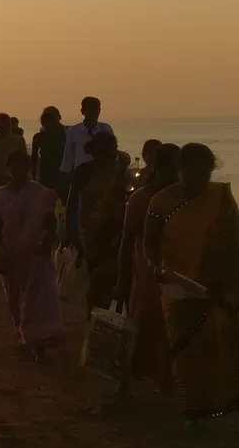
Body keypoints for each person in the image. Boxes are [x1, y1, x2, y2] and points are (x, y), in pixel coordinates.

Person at [143, 144, 239, 418]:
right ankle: (194, 409)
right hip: (179, 288)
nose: (198, 181)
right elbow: (150, 243)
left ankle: (225, 402)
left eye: (204, 174)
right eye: (191, 174)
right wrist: (153, 267)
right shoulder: (160, 202)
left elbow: (236, 240)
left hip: (220, 286)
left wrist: (229, 276)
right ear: (180, 170)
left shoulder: (220, 196)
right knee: (186, 350)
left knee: (223, 344)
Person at [114, 141, 180, 391]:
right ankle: (125, 383)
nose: (177, 175)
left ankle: (168, 384)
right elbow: (126, 242)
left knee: (170, 332)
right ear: (159, 168)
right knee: (138, 328)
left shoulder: (182, 199)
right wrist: (121, 281)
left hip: (176, 276)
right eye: (174, 169)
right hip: (145, 276)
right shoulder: (141, 198)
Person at [0, 148, 64, 357]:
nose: (19, 172)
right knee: (14, 298)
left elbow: (51, 222)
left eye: (23, 168)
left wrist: (47, 242)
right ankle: (23, 335)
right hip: (11, 254)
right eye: (15, 168)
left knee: (35, 299)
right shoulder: (1, 195)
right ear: (9, 169)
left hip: (35, 254)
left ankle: (38, 342)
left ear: (29, 169)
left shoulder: (41, 193)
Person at [69, 130, 127, 311]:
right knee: (96, 274)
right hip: (91, 230)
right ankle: (95, 311)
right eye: (110, 149)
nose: (114, 152)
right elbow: (71, 202)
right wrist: (70, 233)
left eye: (115, 148)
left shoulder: (121, 166)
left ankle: (108, 314)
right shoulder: (83, 171)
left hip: (116, 228)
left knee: (114, 274)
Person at [60, 97, 114, 238]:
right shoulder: (73, 131)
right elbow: (68, 157)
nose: (93, 113)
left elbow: (112, 151)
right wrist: (65, 180)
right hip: (82, 174)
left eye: (96, 109)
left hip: (103, 173)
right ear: (82, 111)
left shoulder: (105, 129)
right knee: (77, 207)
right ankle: (71, 235)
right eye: (90, 109)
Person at [31, 107, 67, 191]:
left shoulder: (65, 133)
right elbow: (34, 158)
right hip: (45, 171)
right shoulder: (39, 136)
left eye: (51, 117)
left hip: (60, 171)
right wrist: (33, 176)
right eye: (45, 117)